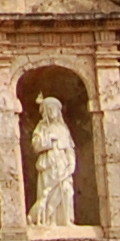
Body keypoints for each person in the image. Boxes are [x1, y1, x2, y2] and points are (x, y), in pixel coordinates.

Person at [28, 94, 80, 228]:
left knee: (67, 190)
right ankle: (51, 220)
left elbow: (69, 148)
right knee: (49, 191)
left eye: (54, 109)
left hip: (62, 163)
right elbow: (35, 145)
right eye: (49, 110)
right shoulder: (41, 128)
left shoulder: (63, 129)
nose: (52, 112)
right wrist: (48, 141)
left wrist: (72, 163)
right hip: (48, 164)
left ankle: (66, 220)